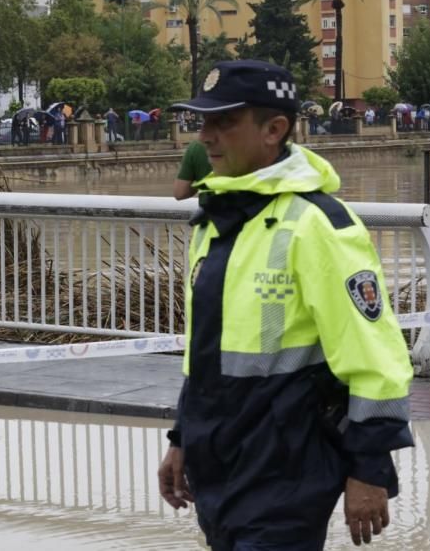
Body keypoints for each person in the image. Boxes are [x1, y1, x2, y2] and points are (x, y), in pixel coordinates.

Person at [158, 60, 413, 551]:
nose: (205, 137)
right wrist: (181, 438)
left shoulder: (317, 224)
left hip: (287, 466)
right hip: (219, 461)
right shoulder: (214, 222)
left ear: (274, 129)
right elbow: (206, 353)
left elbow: (376, 358)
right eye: (202, 122)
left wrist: (369, 469)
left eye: (223, 122)